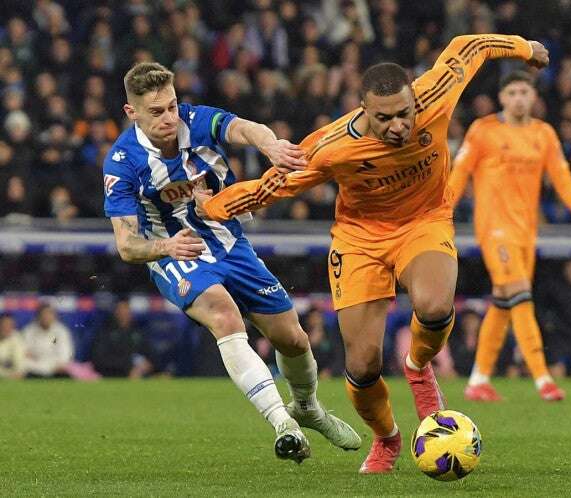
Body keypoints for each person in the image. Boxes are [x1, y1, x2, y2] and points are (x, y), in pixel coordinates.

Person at [196, 34, 549, 473]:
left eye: (405, 113)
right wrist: (211, 206)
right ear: (364, 111)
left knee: (435, 306)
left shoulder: (435, 94)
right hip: (359, 240)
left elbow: (469, 47)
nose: (399, 125)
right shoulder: (333, 146)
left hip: (424, 222)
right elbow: (276, 184)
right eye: (385, 119)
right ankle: (388, 439)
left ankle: (419, 366)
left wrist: (523, 48)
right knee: (362, 366)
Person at [102, 62, 360, 463]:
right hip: (178, 252)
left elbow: (244, 128)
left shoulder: (195, 120)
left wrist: (270, 145)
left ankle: (306, 409)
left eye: (172, 106)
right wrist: (166, 248)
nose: (169, 118)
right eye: (156, 112)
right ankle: (282, 424)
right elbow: (126, 245)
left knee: (291, 338)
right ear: (131, 112)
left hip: (230, 242)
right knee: (224, 315)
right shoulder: (122, 162)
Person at [447, 70, 571, 402]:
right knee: (521, 294)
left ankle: (478, 379)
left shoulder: (543, 134)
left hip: (526, 231)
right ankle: (543, 378)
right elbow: (459, 174)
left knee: (503, 302)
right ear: (502, 97)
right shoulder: (483, 130)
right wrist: (443, 212)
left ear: (534, 97)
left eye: (524, 92)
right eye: (512, 92)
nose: (518, 98)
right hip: (494, 228)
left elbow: (561, 175)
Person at [90, 299, 155, 378]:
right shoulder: (105, 333)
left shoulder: (138, 332)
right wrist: (128, 367)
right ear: (115, 312)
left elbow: (151, 355)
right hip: (113, 376)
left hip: (140, 374)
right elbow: (99, 360)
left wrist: (147, 366)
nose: (124, 313)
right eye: (121, 310)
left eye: (126, 309)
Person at [22, 303, 74, 378]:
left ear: (54, 316)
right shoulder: (29, 331)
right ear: (38, 316)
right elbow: (25, 352)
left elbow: (65, 353)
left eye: (49, 314)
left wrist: (59, 364)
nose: (46, 317)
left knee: (65, 368)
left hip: (55, 366)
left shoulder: (61, 331)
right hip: (34, 365)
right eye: (43, 314)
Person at [0, 313, 26, 379]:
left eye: (9, 325)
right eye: (4, 324)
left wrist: (17, 373)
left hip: (14, 375)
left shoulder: (17, 338)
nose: (6, 327)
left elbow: (20, 363)